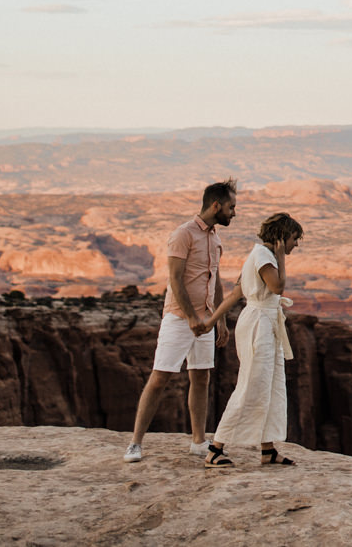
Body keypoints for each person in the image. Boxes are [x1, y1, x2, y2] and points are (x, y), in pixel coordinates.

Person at [123, 178, 237, 463]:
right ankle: (135, 443)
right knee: (160, 377)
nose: (234, 213)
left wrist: (220, 320)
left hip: (207, 320)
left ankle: (198, 441)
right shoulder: (183, 234)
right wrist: (189, 317)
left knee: (201, 377)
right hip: (179, 318)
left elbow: (216, 279)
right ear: (216, 205)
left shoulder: (214, 237)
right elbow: (174, 279)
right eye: (231, 207)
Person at [202, 211, 304, 468]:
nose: (296, 244)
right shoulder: (264, 257)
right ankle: (216, 448)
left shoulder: (259, 255)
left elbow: (236, 292)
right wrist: (282, 259)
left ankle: (267, 449)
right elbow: (277, 287)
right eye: (294, 238)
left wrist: (213, 321)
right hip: (259, 325)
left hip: (266, 324)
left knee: (271, 385)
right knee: (251, 385)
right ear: (281, 237)